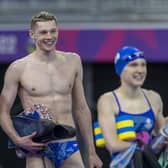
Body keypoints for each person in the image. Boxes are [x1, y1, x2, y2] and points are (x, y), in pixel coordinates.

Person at [0, 11, 102, 168]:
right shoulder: (18, 68)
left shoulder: (73, 61)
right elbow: (3, 112)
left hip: (68, 144)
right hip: (38, 147)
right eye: (43, 32)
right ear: (32, 34)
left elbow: (81, 108)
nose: (49, 36)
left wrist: (91, 152)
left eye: (53, 31)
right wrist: (17, 140)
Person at [97, 46, 167, 167]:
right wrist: (141, 146)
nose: (140, 70)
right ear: (121, 69)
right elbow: (112, 145)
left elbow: (161, 135)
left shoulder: (154, 98)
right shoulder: (108, 100)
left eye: (143, 65)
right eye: (133, 65)